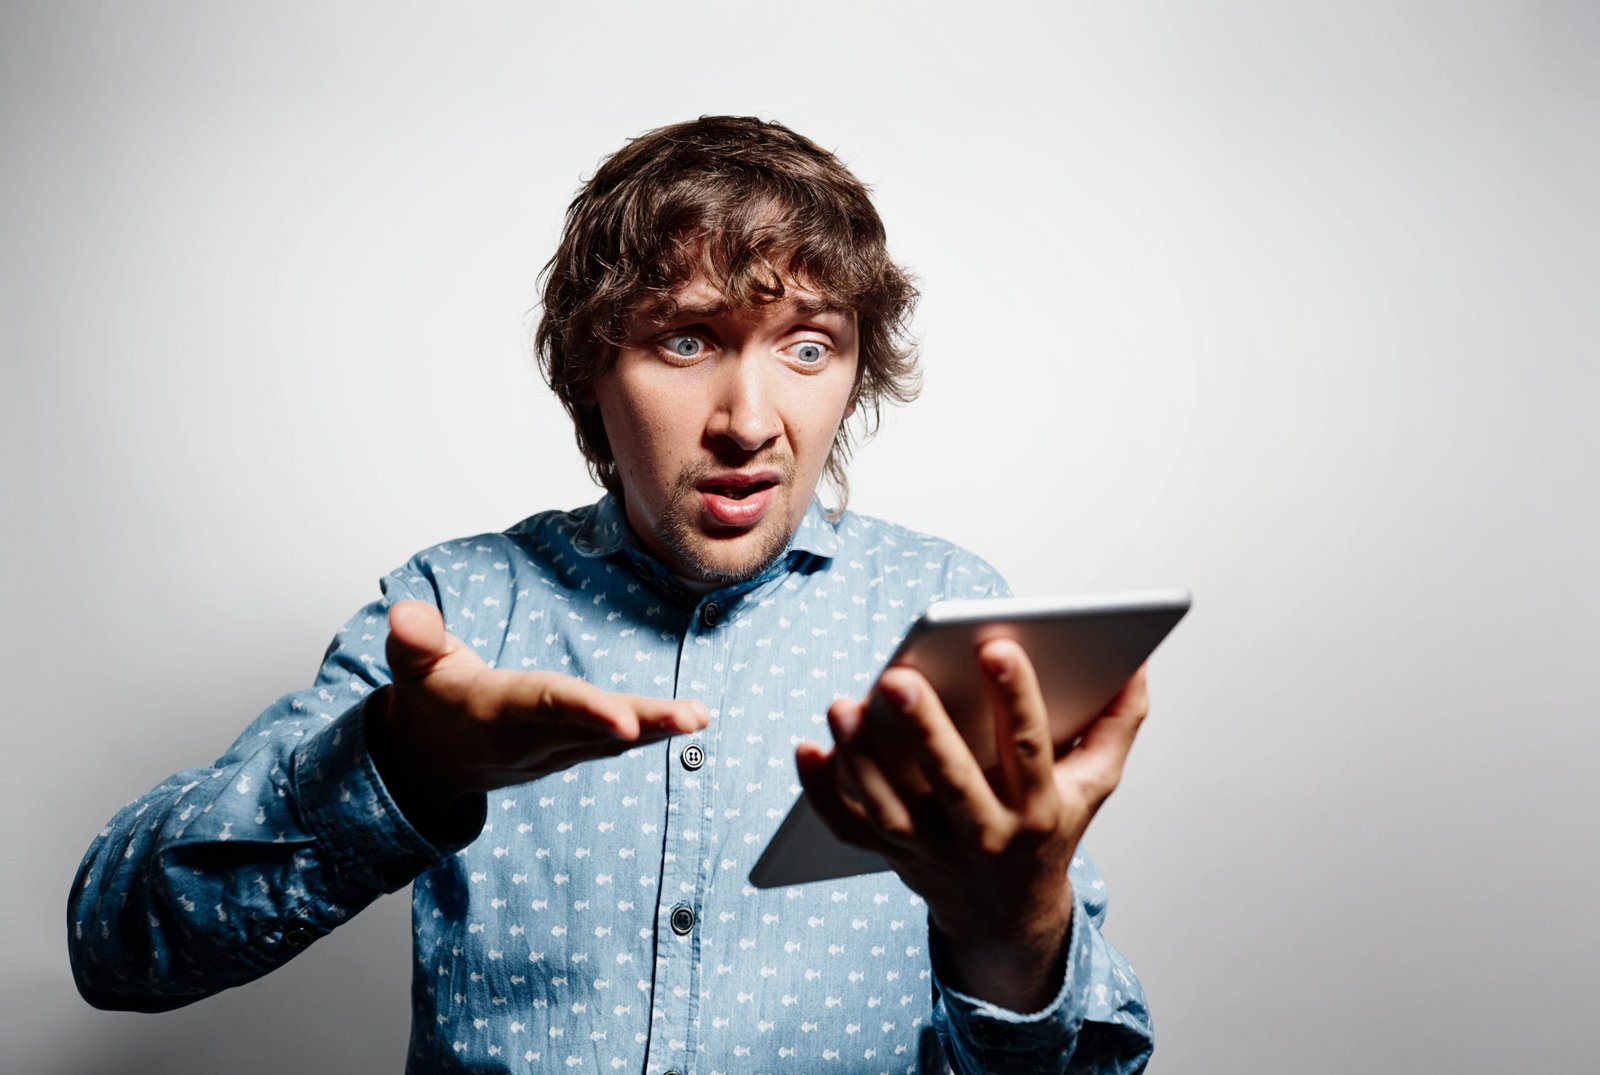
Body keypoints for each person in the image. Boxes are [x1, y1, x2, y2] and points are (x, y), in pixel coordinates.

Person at [69, 116, 1155, 1074]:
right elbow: (117, 944)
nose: (748, 419)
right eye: (686, 339)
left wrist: (1015, 937)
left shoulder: (947, 611)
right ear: (592, 366)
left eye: (809, 346)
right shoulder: (456, 610)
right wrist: (394, 766)